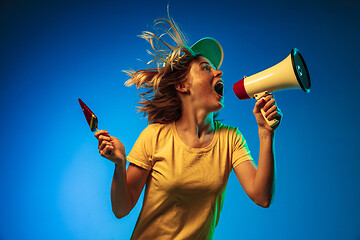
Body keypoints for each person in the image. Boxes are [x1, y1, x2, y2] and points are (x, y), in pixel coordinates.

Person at [95, 17, 282, 240]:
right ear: (183, 85)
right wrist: (120, 165)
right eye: (206, 68)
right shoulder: (154, 136)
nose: (218, 73)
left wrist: (265, 134)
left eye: (216, 68)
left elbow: (262, 197)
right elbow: (121, 209)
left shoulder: (231, 139)